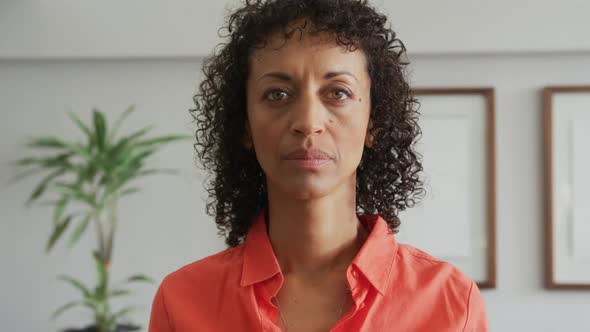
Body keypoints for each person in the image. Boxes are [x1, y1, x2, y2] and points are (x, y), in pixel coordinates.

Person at [149, 0, 488, 331]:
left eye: (338, 93)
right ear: (244, 126)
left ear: (374, 122)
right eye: (277, 94)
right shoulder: (182, 301)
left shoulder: (450, 302)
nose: (308, 121)